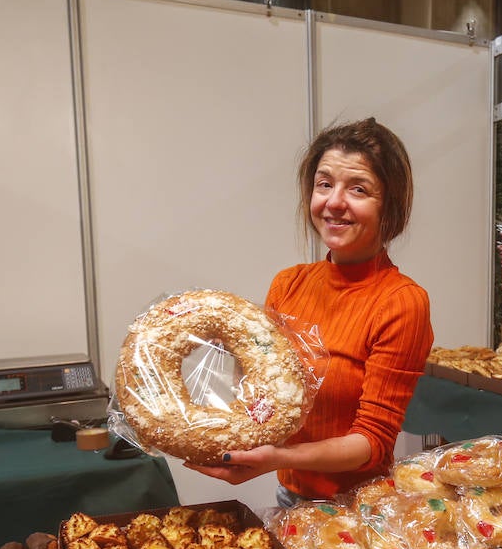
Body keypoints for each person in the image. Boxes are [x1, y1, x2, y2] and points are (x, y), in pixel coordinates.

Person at [185, 118, 434, 507]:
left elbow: (372, 441)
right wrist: (229, 356)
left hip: (358, 509)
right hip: (289, 496)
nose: (334, 202)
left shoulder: (401, 302)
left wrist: (277, 458)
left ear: (389, 203)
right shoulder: (289, 284)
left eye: (358, 188)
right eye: (324, 184)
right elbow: (263, 393)